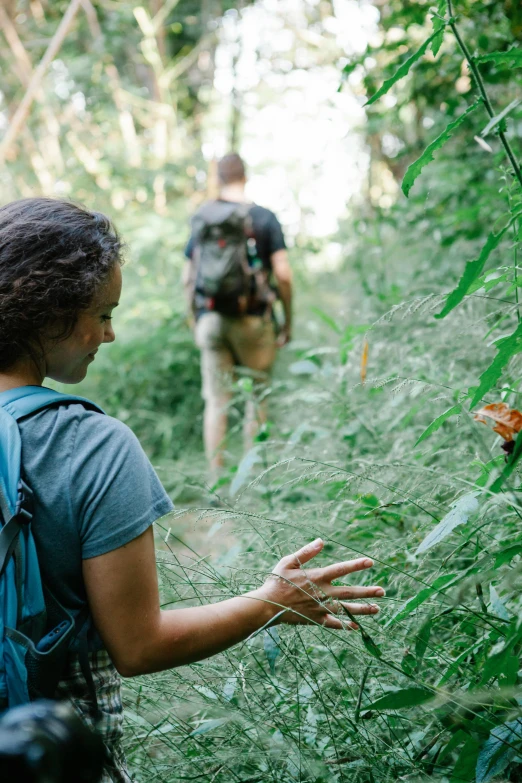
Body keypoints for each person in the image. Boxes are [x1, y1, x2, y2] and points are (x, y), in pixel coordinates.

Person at [0, 197, 384, 783]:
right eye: (103, 313)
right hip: (49, 754)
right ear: (51, 310)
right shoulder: (92, 445)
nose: (110, 333)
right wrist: (273, 601)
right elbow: (138, 645)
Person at [184, 153, 293, 486]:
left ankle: (217, 486)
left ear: (218, 178)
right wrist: (288, 320)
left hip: (211, 320)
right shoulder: (263, 217)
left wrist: (194, 318)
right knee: (256, 400)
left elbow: (187, 277)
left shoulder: (202, 217)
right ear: (245, 176)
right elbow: (284, 275)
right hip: (253, 321)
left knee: (217, 402)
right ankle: (255, 483)